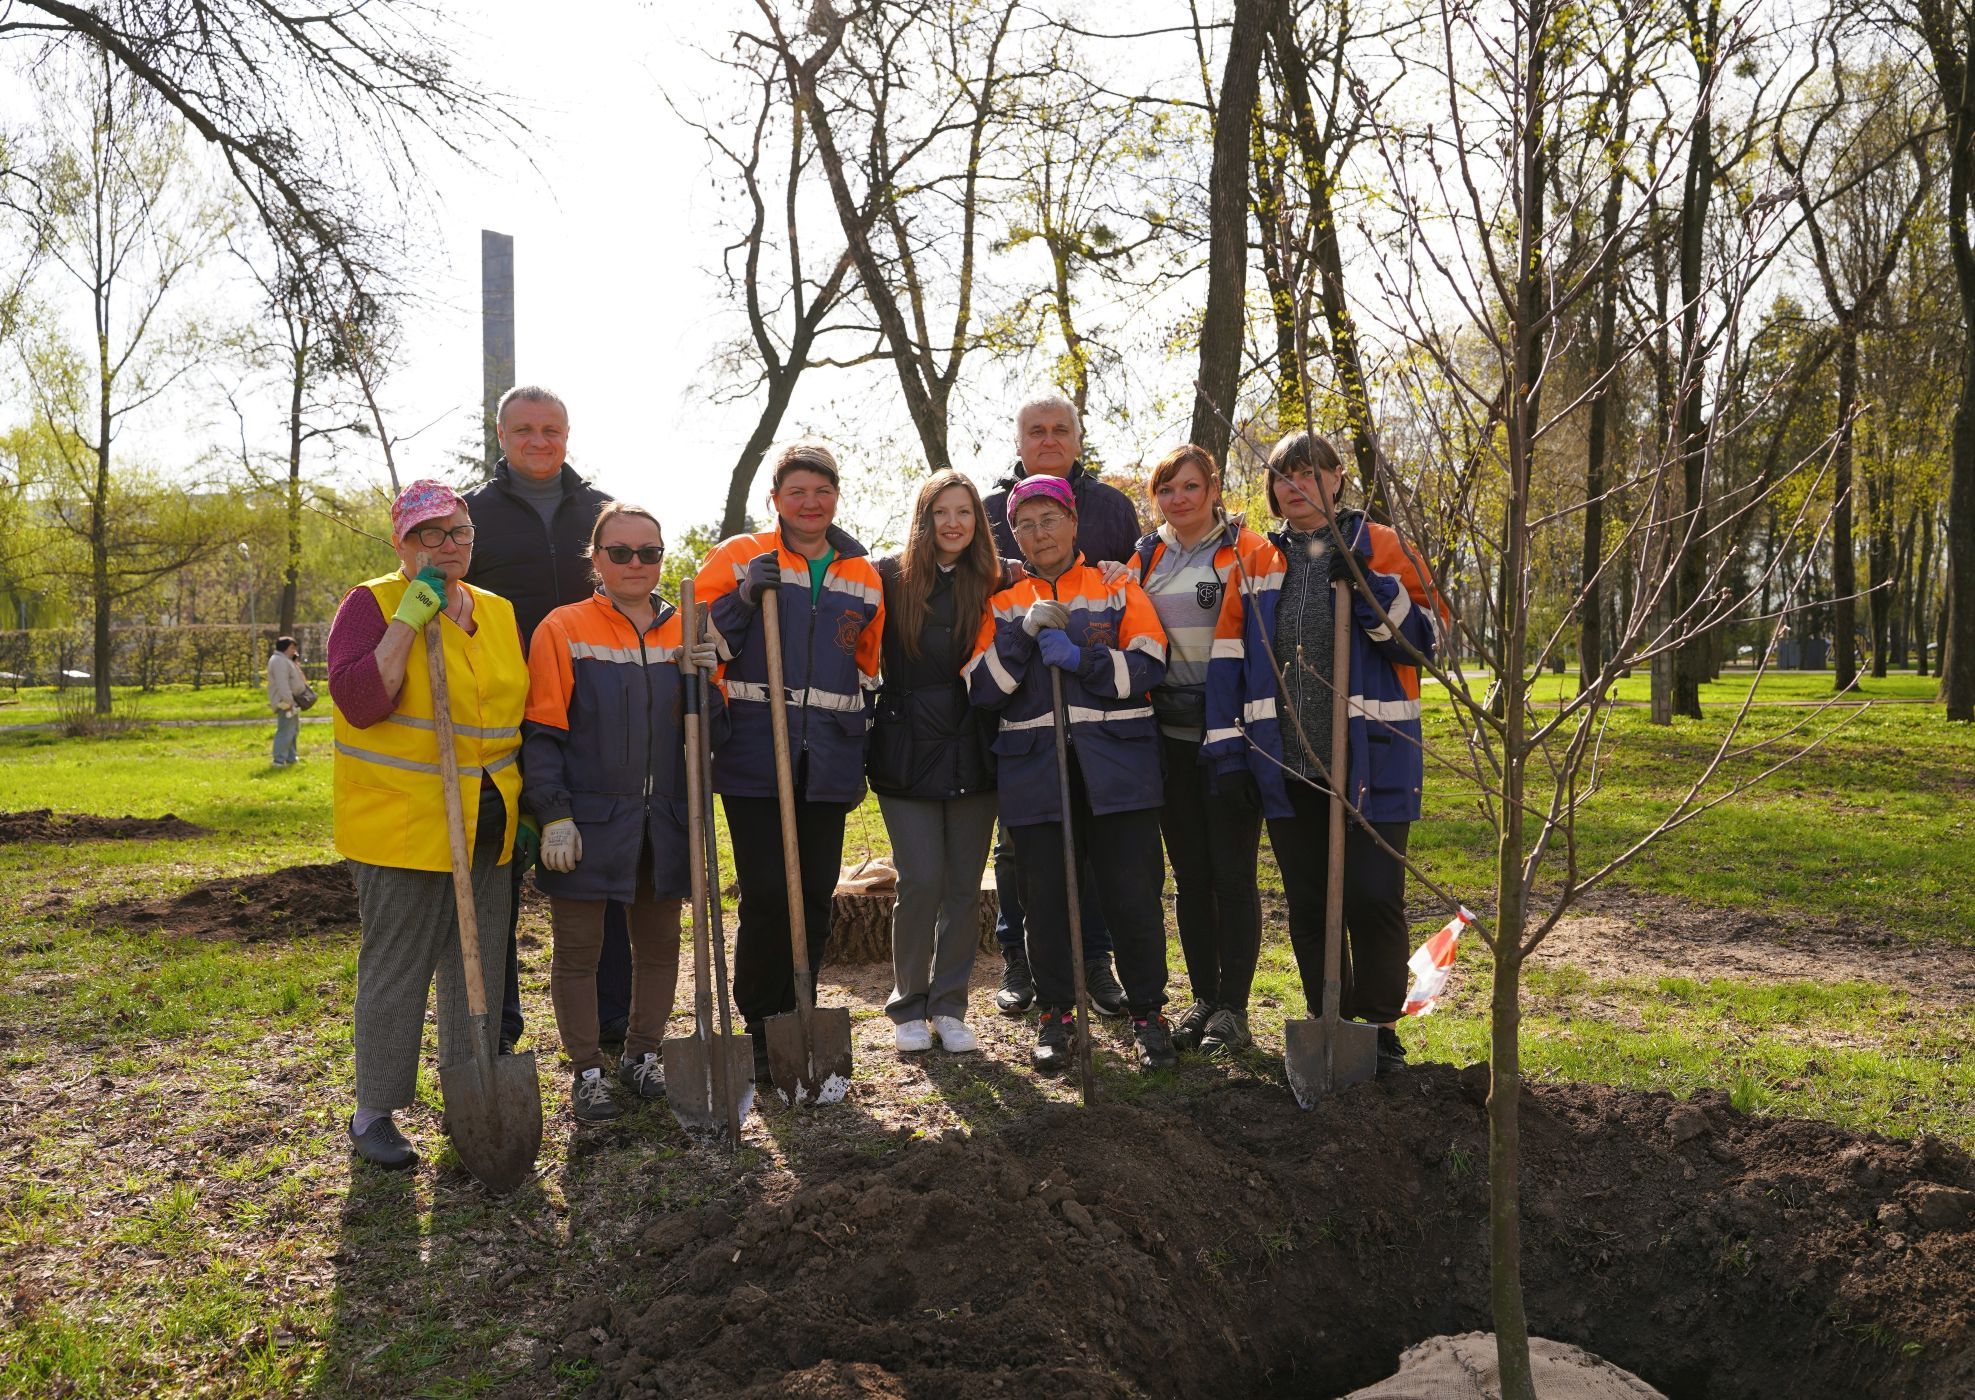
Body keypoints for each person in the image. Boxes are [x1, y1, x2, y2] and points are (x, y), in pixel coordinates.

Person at [326, 480, 528, 1169]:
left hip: (489, 816)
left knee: (477, 967)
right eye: (429, 535)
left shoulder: (498, 611)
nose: (446, 546)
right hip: (403, 821)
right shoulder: (371, 602)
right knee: (398, 967)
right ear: (401, 544)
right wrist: (407, 622)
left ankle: (467, 1095)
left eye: (458, 533)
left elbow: (509, 715)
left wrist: (529, 807)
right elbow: (359, 701)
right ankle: (373, 1112)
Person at [965, 474, 1175, 1073]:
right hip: (1035, 776)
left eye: (1049, 519)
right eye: (1025, 524)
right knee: (1046, 902)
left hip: (1119, 769)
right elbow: (983, 689)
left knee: (1132, 896)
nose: (1039, 533)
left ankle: (1147, 1013)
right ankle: (1056, 1015)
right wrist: (1024, 638)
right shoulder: (1002, 603)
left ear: (1073, 521)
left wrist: (1081, 658)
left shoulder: (1116, 588)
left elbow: (1150, 665)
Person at [522, 504, 722, 1122]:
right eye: (620, 552)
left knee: (659, 947)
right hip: (588, 820)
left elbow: (712, 734)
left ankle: (643, 1055)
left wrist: (709, 678)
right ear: (596, 558)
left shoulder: (688, 628)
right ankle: (586, 1070)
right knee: (579, 951)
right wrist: (553, 814)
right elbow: (542, 732)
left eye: (649, 552)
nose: (636, 564)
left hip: (663, 820)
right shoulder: (563, 627)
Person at [695, 442, 885, 1082]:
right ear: (775, 499)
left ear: (836, 498)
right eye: (797, 492)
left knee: (814, 893)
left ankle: (800, 1005)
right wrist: (743, 599)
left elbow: (869, 664)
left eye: (822, 491)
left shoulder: (861, 572)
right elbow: (700, 647)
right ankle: (760, 1019)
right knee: (768, 892)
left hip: (829, 754)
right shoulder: (738, 558)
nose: (810, 503)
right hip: (754, 751)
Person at [1261, 430, 1441, 1076]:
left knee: (1370, 894)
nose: (1296, 486)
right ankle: (1325, 1017)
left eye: (1310, 472)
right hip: (1289, 757)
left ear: (1337, 478)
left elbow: (1427, 640)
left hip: (1372, 754)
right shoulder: (1261, 557)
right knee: (1309, 903)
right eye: (1284, 475)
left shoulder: (1383, 544)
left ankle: (1378, 1026)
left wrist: (1371, 588)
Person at [461, 385, 624, 1057]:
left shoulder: (601, 512)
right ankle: (494, 1028)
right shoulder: (472, 517)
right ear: (500, 435)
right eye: (523, 428)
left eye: (550, 428)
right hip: (496, 715)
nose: (538, 439)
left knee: (605, 861)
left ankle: (611, 1021)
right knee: (495, 870)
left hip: (592, 716)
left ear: (567, 433)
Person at [981, 393, 1141, 1019]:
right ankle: (1020, 959)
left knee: (1096, 844)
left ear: (1077, 439)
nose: (1048, 439)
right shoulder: (993, 509)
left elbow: (1136, 576)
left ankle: (1096, 962)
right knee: (1019, 847)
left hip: (1095, 704)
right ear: (1018, 442)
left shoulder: (1110, 506)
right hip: (1016, 701)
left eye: (1060, 429)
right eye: (1035, 431)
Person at [1128, 445, 1289, 1058]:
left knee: (1231, 873)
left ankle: (1234, 1008)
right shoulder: (1147, 557)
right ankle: (1201, 998)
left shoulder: (1246, 554)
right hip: (1165, 735)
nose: (1179, 500)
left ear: (1214, 487)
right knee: (1190, 875)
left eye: (1190, 487)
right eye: (1167, 490)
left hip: (1229, 734)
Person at [870, 470, 1005, 1056]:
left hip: (975, 748)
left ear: (978, 522)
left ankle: (950, 1005)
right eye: (941, 512)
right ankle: (908, 1002)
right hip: (906, 748)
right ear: (923, 520)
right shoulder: (888, 577)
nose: (953, 523)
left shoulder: (996, 581)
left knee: (961, 886)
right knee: (921, 880)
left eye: (965, 512)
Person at [266, 636, 308, 766]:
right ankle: (278, 760)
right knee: (285, 730)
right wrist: (289, 702)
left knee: (293, 730)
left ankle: (291, 758)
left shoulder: (285, 660)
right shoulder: (279, 661)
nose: (294, 650)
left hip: (291, 701)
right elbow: (282, 684)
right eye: (292, 647)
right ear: (285, 648)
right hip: (285, 702)